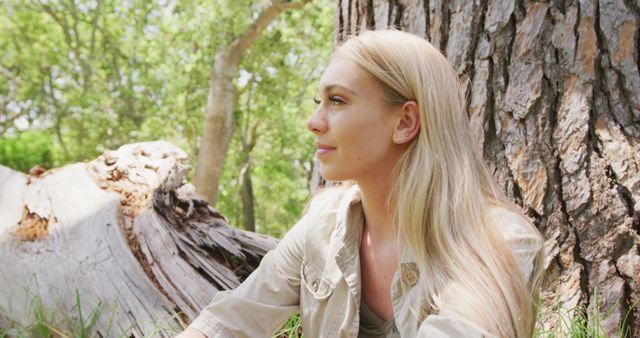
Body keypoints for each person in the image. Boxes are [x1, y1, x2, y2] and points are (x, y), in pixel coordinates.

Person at [177, 29, 545, 338]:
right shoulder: (323, 225)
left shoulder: (502, 243)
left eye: (337, 100)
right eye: (317, 101)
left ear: (404, 122)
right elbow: (231, 320)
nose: (313, 121)